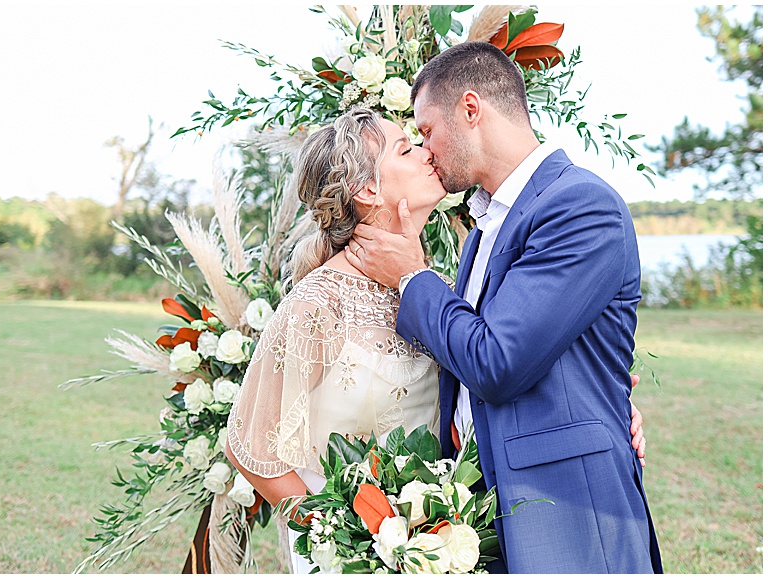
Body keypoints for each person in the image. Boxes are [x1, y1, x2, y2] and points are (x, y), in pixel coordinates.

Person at [225, 105, 649, 573]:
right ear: (366, 189)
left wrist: (602, 401)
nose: (427, 152)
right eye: (407, 148)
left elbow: (490, 358)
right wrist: (344, 539)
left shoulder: (434, 288)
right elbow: (249, 447)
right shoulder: (317, 303)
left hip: (434, 546)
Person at [345, 42, 663, 573]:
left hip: (568, 511)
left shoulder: (580, 205)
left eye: (426, 131)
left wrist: (411, 276)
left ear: (471, 110)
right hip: (486, 507)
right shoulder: (485, 227)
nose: (426, 151)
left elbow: (498, 362)